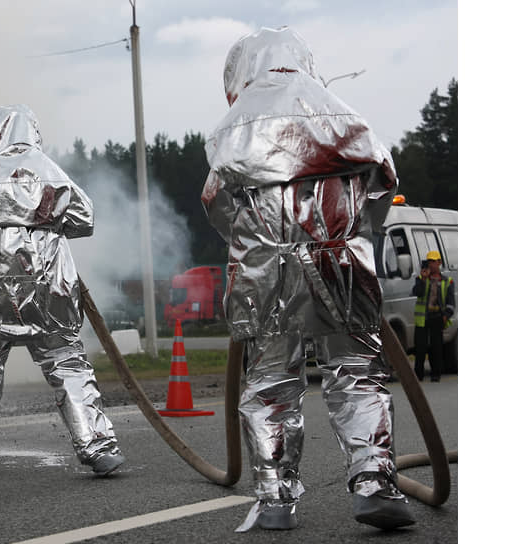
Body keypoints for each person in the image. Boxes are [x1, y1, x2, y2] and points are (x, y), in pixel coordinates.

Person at [201, 27, 415, 531]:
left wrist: (251, 244)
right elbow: (383, 182)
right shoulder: (344, 114)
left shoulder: (232, 125)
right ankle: (373, 483)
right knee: (357, 373)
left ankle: (275, 497)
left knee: (272, 382)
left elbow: (216, 203)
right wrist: (356, 234)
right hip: (342, 265)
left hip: (265, 273)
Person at [0, 104, 124, 479]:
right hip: (49, 294)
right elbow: (84, 219)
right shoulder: (50, 171)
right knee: (67, 364)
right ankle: (97, 448)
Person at [412, 250, 455, 382]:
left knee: (436, 348)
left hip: (437, 317)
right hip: (422, 319)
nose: (431, 264)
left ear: (439, 263)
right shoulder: (420, 279)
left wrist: (446, 316)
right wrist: (424, 279)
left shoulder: (447, 281)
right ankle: (418, 375)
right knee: (420, 348)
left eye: (433, 261)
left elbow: (451, 302)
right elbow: (417, 292)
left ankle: (436, 374)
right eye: (429, 261)